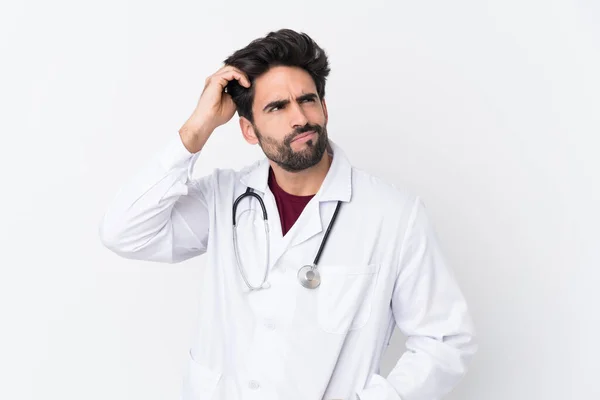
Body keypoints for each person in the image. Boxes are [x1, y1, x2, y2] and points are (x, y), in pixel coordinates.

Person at [99, 28, 477, 400]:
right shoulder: (223, 198)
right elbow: (124, 231)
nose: (299, 118)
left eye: (307, 100)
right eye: (277, 107)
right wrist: (197, 129)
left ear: (324, 108)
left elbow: (444, 341)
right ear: (248, 130)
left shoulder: (394, 216)